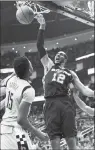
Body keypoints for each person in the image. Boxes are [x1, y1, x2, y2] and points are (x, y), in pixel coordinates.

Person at [36, 14, 94, 150]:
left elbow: (86, 91)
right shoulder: (48, 66)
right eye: (56, 54)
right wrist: (42, 26)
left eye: (61, 54)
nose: (57, 55)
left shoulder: (71, 73)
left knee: (71, 140)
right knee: (54, 140)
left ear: (65, 59)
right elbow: (39, 46)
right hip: (50, 103)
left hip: (66, 103)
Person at [1, 56, 48, 150]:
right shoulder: (28, 89)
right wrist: (39, 134)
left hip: (4, 128)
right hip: (15, 130)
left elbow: (5, 82)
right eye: (30, 63)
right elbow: (21, 120)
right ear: (29, 70)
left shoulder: (11, 80)